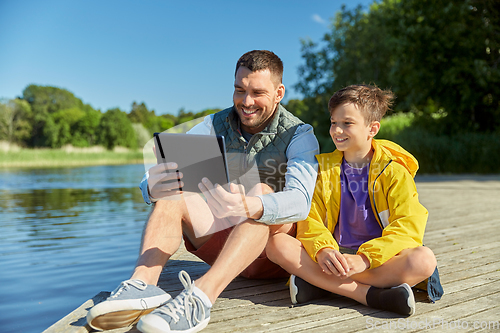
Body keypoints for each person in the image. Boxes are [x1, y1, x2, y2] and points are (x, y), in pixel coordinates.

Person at [86, 50, 319, 332]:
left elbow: (301, 200)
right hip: (222, 242)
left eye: (258, 92)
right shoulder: (213, 125)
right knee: (174, 193)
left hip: (272, 256)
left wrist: (251, 205)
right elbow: (158, 170)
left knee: (261, 190)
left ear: (279, 92)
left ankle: (199, 299)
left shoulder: (299, 135)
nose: (246, 102)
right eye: (239, 90)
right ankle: (142, 285)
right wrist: (151, 186)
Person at [266, 84, 443, 316]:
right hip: (334, 254)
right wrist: (323, 251)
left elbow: (408, 228)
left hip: (379, 259)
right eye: (333, 122)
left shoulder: (394, 172)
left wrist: (365, 259)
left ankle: (322, 284)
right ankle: (369, 294)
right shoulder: (322, 169)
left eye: (347, 123)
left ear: (372, 128)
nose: (337, 130)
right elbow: (310, 218)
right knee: (277, 244)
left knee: (424, 261)